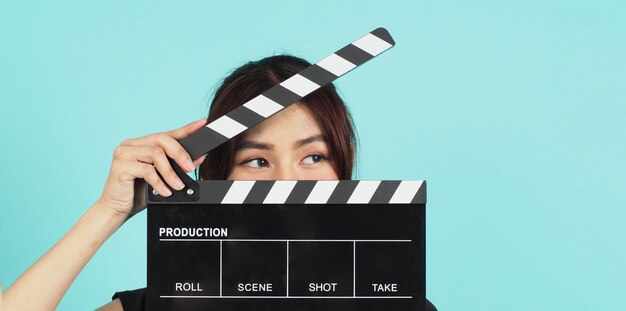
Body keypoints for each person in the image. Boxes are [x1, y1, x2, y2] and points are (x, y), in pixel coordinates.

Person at [4, 55, 436, 311]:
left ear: (343, 168)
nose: (286, 182)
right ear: (216, 179)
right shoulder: (163, 306)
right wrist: (108, 212)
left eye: (313, 156)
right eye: (256, 161)